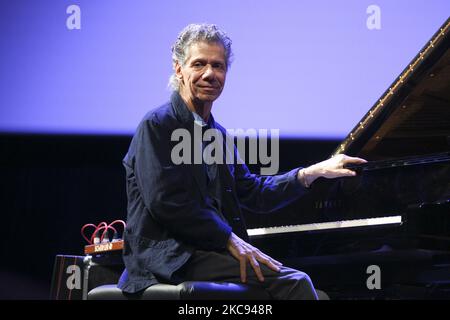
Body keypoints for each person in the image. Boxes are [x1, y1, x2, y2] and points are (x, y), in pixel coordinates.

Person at [118, 23, 366, 299]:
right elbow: (168, 203)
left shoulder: (217, 135)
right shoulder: (157, 125)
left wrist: (309, 173)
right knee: (296, 283)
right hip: (168, 257)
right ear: (179, 69)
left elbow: (253, 192)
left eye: (218, 66)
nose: (210, 74)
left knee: (316, 293)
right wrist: (229, 239)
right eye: (199, 64)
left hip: (204, 252)